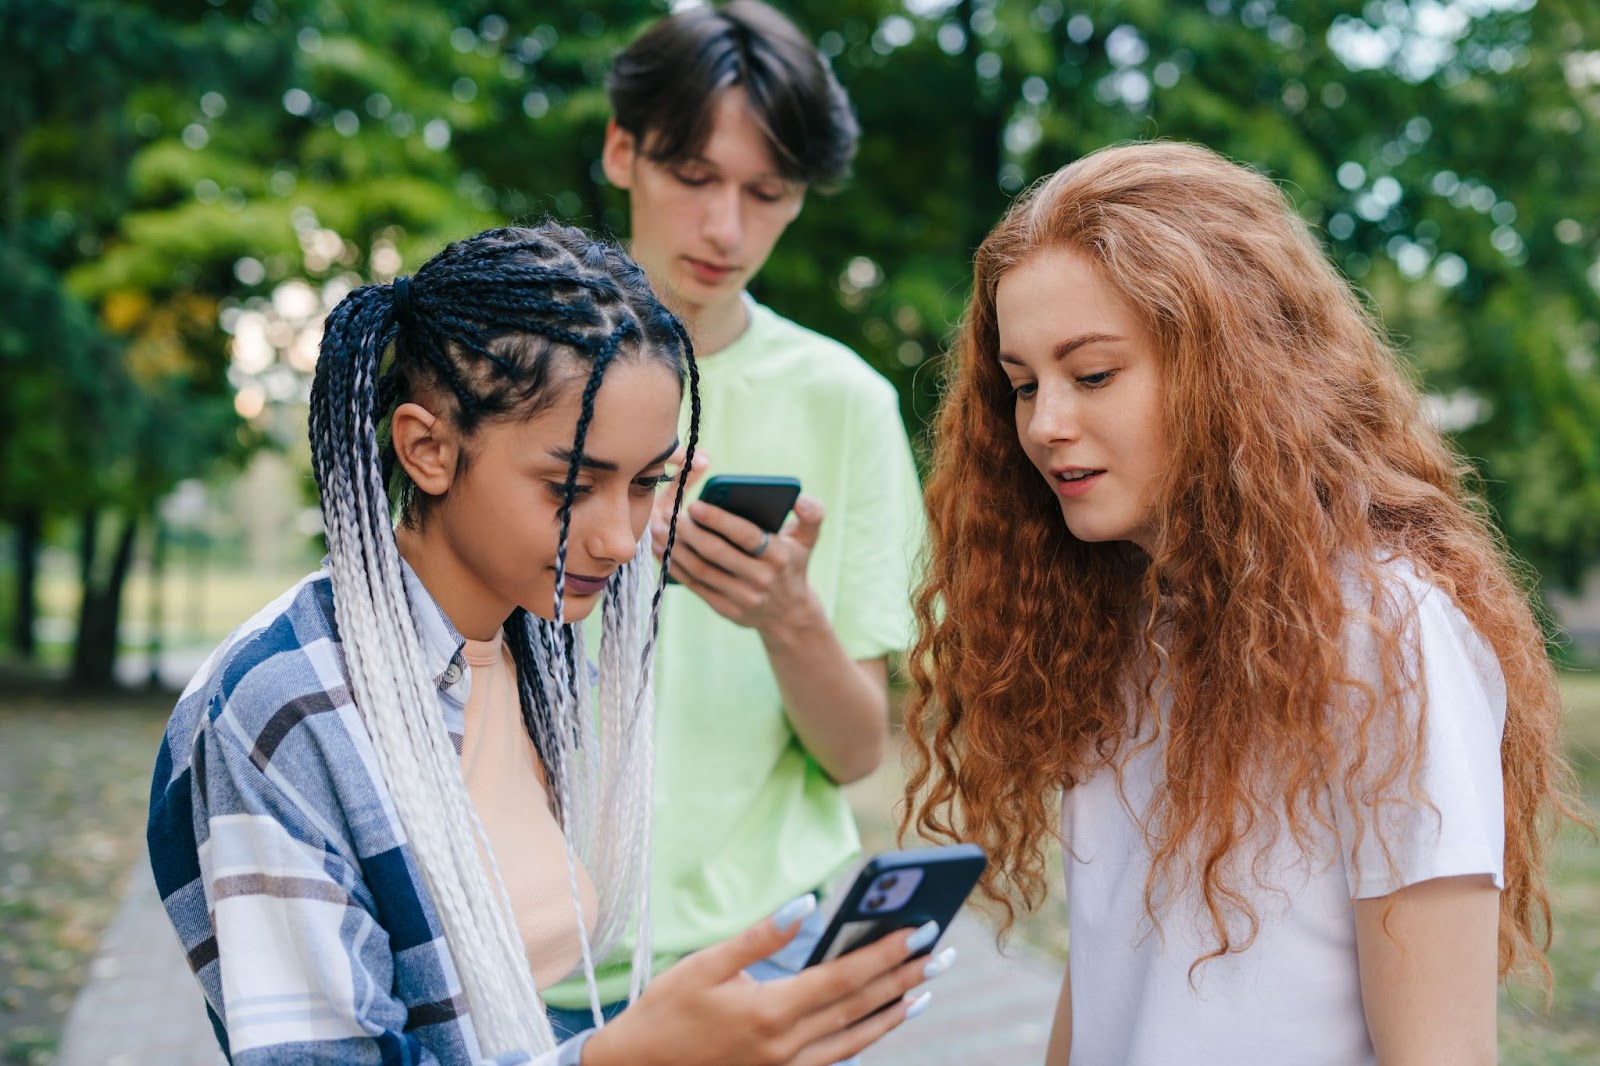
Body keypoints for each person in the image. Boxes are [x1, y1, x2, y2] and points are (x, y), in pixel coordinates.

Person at [146, 223, 943, 1065]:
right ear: (426, 448)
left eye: (645, 484)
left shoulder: (542, 645)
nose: (621, 539)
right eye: (572, 486)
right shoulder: (283, 705)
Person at [902, 141, 1581, 1065]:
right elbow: (1108, 984)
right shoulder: (1115, 621)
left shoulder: (1388, 633)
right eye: (1023, 385)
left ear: (1230, 368)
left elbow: (1440, 1052)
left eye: (1092, 374)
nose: (1046, 423)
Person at [542, 1, 927, 1038]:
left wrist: (786, 613)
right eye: (696, 177)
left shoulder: (845, 399)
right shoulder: (511, 373)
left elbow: (854, 756)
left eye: (768, 192)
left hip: (767, 946)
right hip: (526, 954)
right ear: (622, 151)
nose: (726, 229)